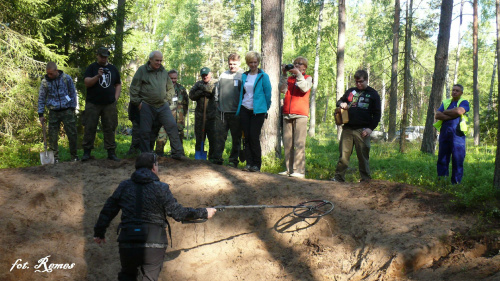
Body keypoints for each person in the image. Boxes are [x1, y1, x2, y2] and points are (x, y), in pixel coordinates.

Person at [93, 152, 216, 281]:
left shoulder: (124, 186)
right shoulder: (161, 188)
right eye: (157, 165)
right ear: (153, 167)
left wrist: (99, 232)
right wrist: (204, 212)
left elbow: (108, 210)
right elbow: (178, 213)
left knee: (127, 276)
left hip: (128, 240)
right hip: (154, 242)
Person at [129, 51, 187, 160]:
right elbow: (134, 88)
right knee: (145, 131)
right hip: (146, 104)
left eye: (161, 60)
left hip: (162, 105)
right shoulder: (142, 71)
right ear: (150, 59)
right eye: (157, 60)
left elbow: (170, 88)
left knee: (172, 126)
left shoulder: (163, 72)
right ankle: (146, 155)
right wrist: (138, 102)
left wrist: (167, 99)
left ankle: (177, 153)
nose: (159, 63)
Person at [332, 70, 381, 182]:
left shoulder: (373, 94)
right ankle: (338, 177)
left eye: (361, 81)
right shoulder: (351, 91)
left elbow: (377, 114)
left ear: (366, 80)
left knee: (363, 157)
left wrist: (370, 129)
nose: (358, 84)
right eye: (356, 82)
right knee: (343, 155)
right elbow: (339, 101)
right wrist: (341, 104)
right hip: (348, 128)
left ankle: (365, 180)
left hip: (362, 130)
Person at [82, 47, 122, 162]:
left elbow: (118, 84)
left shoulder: (113, 69)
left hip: (109, 104)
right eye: (102, 56)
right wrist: (98, 76)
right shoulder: (92, 68)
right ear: (97, 55)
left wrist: (115, 98)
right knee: (90, 127)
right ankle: (87, 152)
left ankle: (111, 152)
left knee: (110, 128)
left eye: (106, 57)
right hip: (93, 103)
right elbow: (87, 83)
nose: (104, 59)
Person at [236, 51, 272, 172]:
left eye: (255, 62)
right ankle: (249, 163)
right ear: (247, 63)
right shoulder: (244, 76)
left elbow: (268, 94)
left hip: (258, 111)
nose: (253, 64)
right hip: (245, 109)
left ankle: (256, 164)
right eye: (250, 62)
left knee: (253, 137)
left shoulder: (263, 76)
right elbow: (242, 92)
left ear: (258, 62)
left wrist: (265, 108)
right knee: (246, 137)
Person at [278, 57, 312, 179]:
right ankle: (289, 169)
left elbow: (304, 88)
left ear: (305, 67)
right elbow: (282, 90)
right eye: (295, 63)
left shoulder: (307, 78)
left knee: (299, 143)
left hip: (300, 114)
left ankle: (299, 170)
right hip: (287, 113)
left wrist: (298, 74)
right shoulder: (290, 79)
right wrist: (284, 74)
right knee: (288, 143)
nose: (296, 65)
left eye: (300, 64)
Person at [37, 62, 78, 163]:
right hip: (53, 112)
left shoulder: (66, 78)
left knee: (72, 134)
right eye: (48, 73)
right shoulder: (45, 82)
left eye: (51, 73)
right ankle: (55, 158)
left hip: (67, 110)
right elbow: (41, 98)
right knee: (53, 136)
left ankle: (74, 156)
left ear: (56, 71)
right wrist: (40, 114)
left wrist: (72, 107)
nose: (49, 75)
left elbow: (72, 92)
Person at [213, 53, 244, 167]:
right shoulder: (223, 75)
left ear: (239, 63)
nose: (232, 66)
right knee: (220, 137)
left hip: (237, 113)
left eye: (234, 64)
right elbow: (217, 90)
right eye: (230, 64)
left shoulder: (243, 75)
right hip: (222, 113)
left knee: (236, 138)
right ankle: (217, 159)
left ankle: (233, 160)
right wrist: (217, 103)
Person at [434, 84, 469, 184]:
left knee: (457, 159)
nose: (454, 92)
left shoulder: (464, 102)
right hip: (444, 133)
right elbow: (437, 115)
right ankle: (442, 181)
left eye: (457, 90)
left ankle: (456, 183)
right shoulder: (446, 102)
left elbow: (459, 111)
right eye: (453, 90)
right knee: (442, 158)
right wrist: (452, 114)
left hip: (458, 134)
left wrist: (445, 112)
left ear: (461, 93)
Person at [155, 69, 189, 156]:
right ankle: (158, 157)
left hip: (178, 121)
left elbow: (186, 105)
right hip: (164, 120)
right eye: (171, 78)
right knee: (160, 140)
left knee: (178, 142)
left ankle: (178, 158)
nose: (173, 80)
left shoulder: (181, 90)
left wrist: (182, 117)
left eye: (175, 78)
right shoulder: (162, 89)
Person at [189, 67, 217, 162]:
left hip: (212, 117)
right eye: (203, 75)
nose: (205, 77)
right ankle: (198, 158)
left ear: (210, 74)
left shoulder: (215, 83)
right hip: (200, 117)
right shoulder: (198, 84)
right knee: (199, 138)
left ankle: (212, 159)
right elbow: (191, 95)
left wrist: (201, 90)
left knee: (213, 139)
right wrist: (202, 92)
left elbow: (211, 91)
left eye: (206, 75)